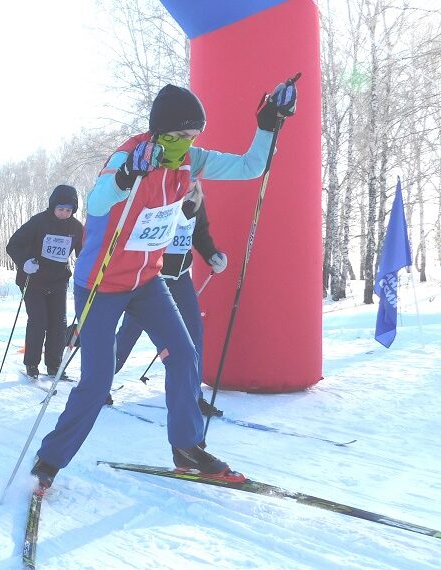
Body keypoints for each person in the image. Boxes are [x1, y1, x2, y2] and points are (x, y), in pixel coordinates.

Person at [30, 82, 297, 488]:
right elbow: (98, 201)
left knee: (185, 356)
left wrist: (267, 127)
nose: (189, 145)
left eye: (194, 138)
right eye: (183, 136)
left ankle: (186, 448)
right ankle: (50, 460)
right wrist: (126, 174)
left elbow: (249, 167)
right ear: (163, 131)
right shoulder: (131, 154)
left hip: (147, 281)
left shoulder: (190, 161)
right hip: (101, 284)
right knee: (97, 381)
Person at [113, 180, 226, 417]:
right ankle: (99, 385)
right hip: (150, 281)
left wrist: (213, 255)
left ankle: (194, 396)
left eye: (193, 180)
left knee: (193, 335)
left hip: (180, 278)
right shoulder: (159, 197)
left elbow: (201, 234)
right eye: (185, 179)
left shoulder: (196, 203)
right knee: (127, 336)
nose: (189, 185)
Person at [6, 184, 84, 379]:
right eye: (61, 209)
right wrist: (24, 262)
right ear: (53, 207)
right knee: (39, 321)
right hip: (33, 280)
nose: (64, 213)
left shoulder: (76, 227)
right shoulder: (38, 222)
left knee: (58, 323)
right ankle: (32, 363)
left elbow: (83, 253)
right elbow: (13, 245)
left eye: (68, 210)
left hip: (58, 280)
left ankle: (54, 364)